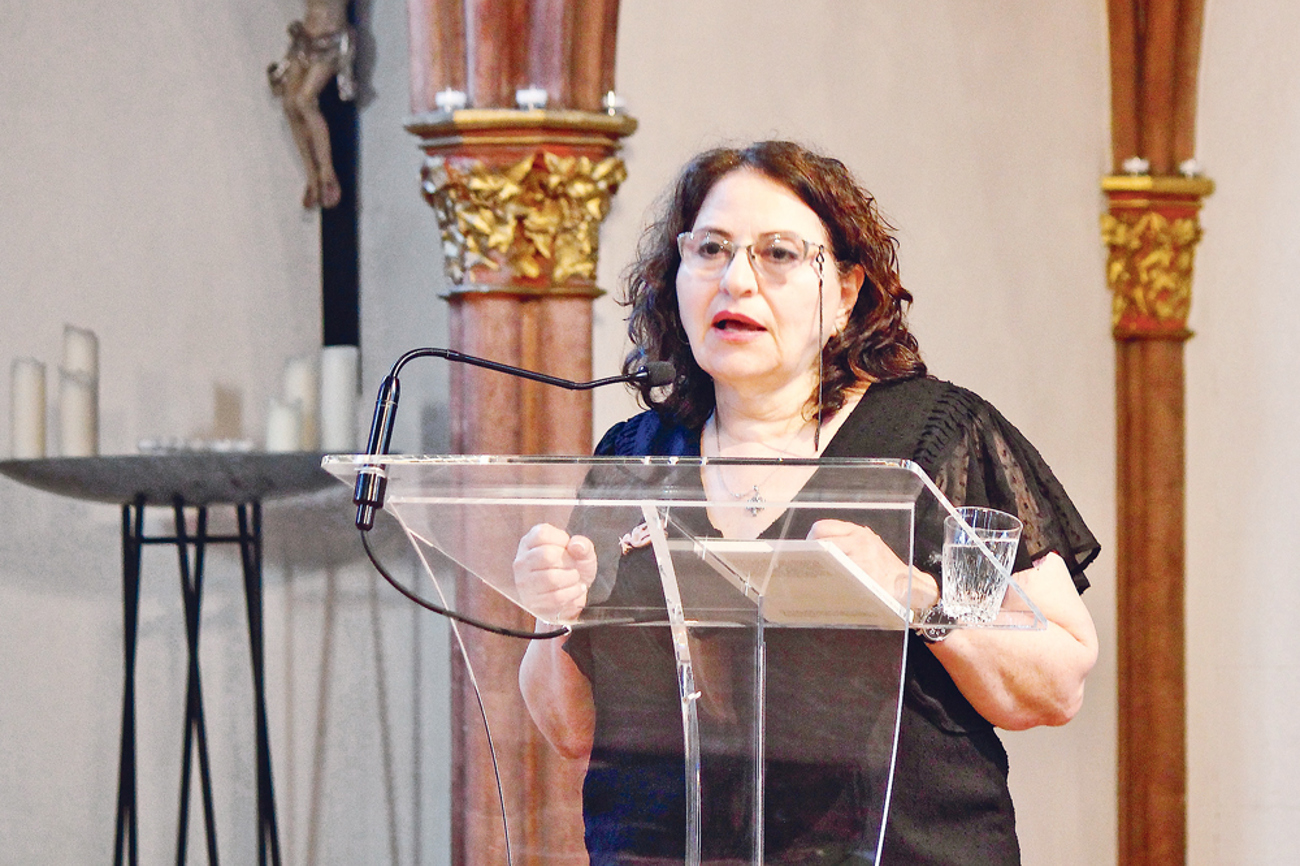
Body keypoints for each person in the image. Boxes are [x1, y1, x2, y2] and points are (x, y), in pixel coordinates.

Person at [514, 141, 1100, 865]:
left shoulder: (933, 444)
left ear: (846, 292)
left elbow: (1057, 682)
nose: (736, 280)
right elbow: (571, 731)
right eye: (711, 250)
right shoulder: (635, 461)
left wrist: (915, 596)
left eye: (779, 254)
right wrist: (554, 610)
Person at [267, 0, 355, 209]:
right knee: (289, 104)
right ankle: (311, 175)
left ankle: (326, 172)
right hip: (305, 40)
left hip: (329, 41)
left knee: (304, 100)